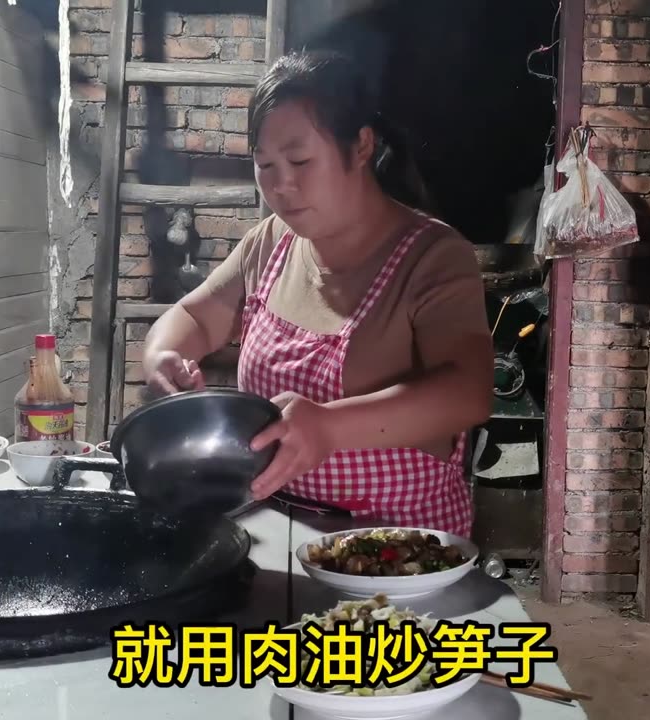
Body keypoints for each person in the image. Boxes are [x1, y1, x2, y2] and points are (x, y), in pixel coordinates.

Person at [141, 50, 493, 537]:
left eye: (301, 160)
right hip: (273, 531)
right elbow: (196, 317)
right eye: (265, 165)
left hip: (399, 553)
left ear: (361, 146)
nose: (282, 185)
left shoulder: (432, 257)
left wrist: (329, 426)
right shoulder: (269, 244)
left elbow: (467, 393)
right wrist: (163, 354)